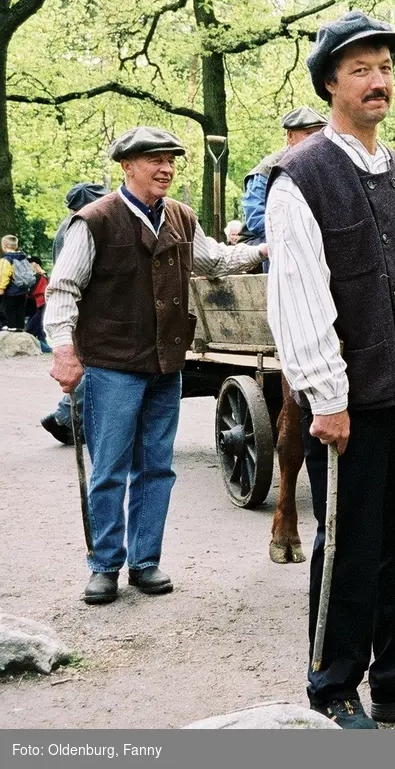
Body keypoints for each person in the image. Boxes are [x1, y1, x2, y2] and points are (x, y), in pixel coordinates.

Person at [265, 11, 395, 730]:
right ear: (331, 83)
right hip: (347, 403)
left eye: (385, 67)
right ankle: (332, 686)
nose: (378, 81)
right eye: (361, 69)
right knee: (351, 545)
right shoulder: (300, 178)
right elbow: (298, 294)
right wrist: (326, 396)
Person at [44, 126, 267, 605]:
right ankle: (104, 565)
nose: (166, 168)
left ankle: (146, 562)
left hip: (167, 364)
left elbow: (213, 262)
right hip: (112, 365)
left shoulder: (182, 218)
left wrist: (264, 251)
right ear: (127, 167)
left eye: (170, 160)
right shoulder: (95, 220)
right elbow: (64, 289)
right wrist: (64, 349)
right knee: (109, 468)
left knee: (157, 468)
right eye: (155, 161)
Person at [41, 184, 108, 446]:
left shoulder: (70, 225)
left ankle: (67, 417)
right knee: (94, 365)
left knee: (92, 365)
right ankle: (63, 418)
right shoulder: (79, 227)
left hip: (81, 306)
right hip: (83, 307)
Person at [243, 106, 327, 272]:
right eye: (308, 134)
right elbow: (255, 219)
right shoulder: (267, 170)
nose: (314, 141)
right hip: (268, 243)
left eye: (318, 135)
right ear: (290, 136)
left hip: (315, 240)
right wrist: (297, 230)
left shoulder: (324, 167)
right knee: (278, 245)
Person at [0, 235, 35, 331]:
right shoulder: (23, 258)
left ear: (4, 246)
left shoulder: (6, 260)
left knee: (8, 309)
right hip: (23, 289)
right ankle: (19, 327)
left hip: (11, 290)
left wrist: (1, 288)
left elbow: (4, 275)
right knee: (20, 309)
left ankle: (11, 328)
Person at [24, 256, 50, 352]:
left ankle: (44, 346)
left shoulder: (40, 276)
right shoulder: (37, 276)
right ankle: (44, 346)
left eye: (30, 263)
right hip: (35, 305)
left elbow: (35, 292)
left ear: (36, 264)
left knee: (32, 327)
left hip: (41, 304)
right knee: (39, 327)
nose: (28, 265)